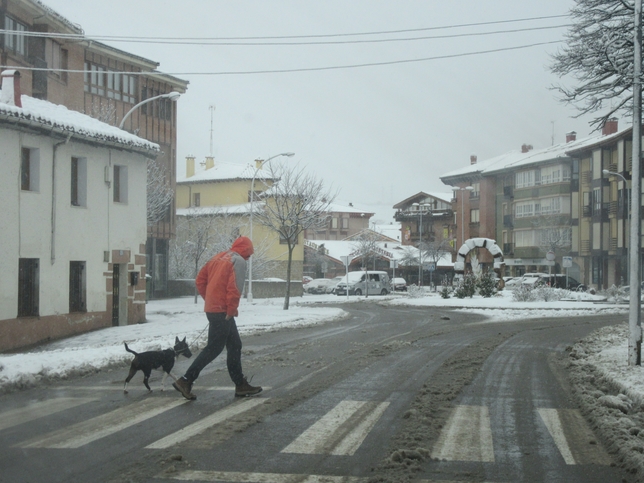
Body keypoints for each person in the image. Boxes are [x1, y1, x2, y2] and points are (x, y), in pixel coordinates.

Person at [173, 236, 262, 400]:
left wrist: (211, 299)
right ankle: (186, 380)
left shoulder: (218, 257)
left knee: (235, 345)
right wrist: (231, 308)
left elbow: (200, 280)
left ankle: (240, 384)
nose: (249, 257)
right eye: (249, 253)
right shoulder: (238, 261)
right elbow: (234, 287)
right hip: (224, 310)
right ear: (245, 250)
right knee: (214, 348)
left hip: (215, 308)